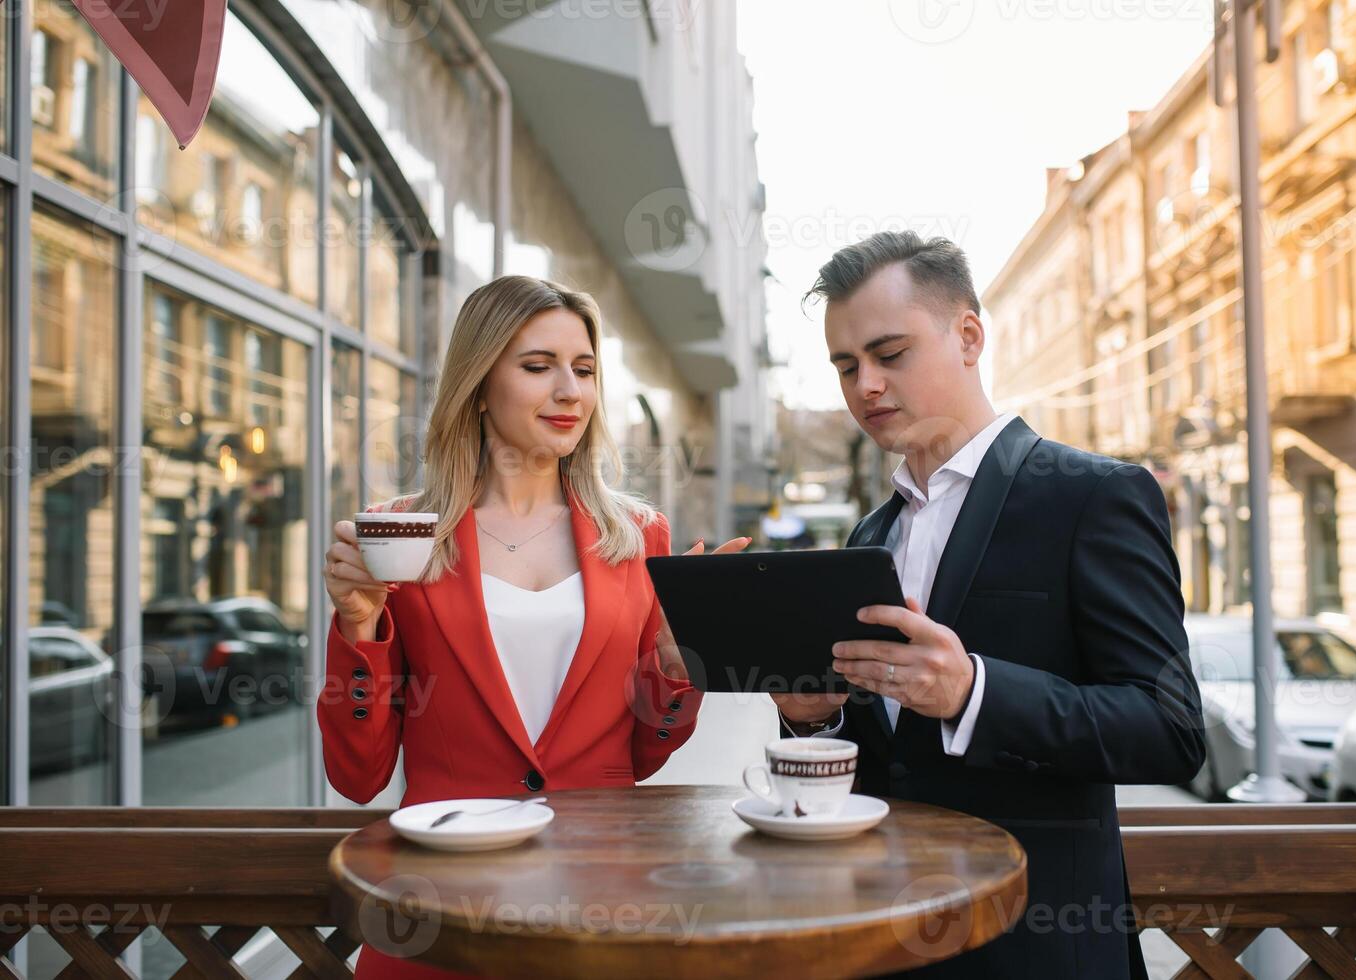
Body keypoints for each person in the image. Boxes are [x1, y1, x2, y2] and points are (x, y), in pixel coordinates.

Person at [772, 231, 1205, 979]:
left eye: (889, 353)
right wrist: (817, 717)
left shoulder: (1094, 495)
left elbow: (1168, 730)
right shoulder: (871, 535)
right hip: (885, 940)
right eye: (846, 366)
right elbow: (889, 760)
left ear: (968, 336)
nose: (865, 385)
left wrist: (975, 692)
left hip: (1036, 946)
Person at [321, 275, 747, 980]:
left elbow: (641, 757)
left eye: (583, 370)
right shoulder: (400, 535)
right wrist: (359, 628)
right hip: (439, 911)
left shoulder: (639, 536)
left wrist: (676, 664)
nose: (570, 392)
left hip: (599, 906)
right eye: (537, 366)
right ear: (480, 381)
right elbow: (357, 777)